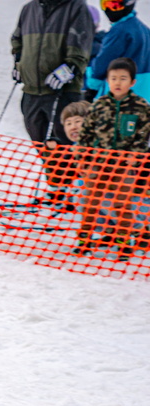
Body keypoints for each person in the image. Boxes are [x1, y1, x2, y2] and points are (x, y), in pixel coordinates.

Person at [73, 57, 150, 257]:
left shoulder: (141, 107)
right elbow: (86, 135)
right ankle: (85, 240)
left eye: (123, 78)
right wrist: (84, 158)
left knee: (122, 204)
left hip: (123, 165)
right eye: (113, 78)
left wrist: (136, 154)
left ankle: (124, 241)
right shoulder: (98, 105)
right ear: (107, 81)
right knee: (91, 202)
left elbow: (143, 134)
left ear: (132, 82)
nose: (117, 83)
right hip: (98, 164)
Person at [11, 0, 95, 159]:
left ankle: (70, 181)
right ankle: (53, 181)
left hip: (62, 92)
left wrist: (68, 69)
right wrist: (19, 63)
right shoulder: (29, 9)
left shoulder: (76, 7)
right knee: (41, 145)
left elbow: (81, 45)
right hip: (32, 91)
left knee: (65, 145)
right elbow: (17, 40)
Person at [88, 0, 150, 100]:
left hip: (121, 92)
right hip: (144, 92)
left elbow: (104, 60)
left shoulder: (119, 31)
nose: (108, 10)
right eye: (105, 5)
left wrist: (92, 86)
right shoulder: (145, 30)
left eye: (115, 6)